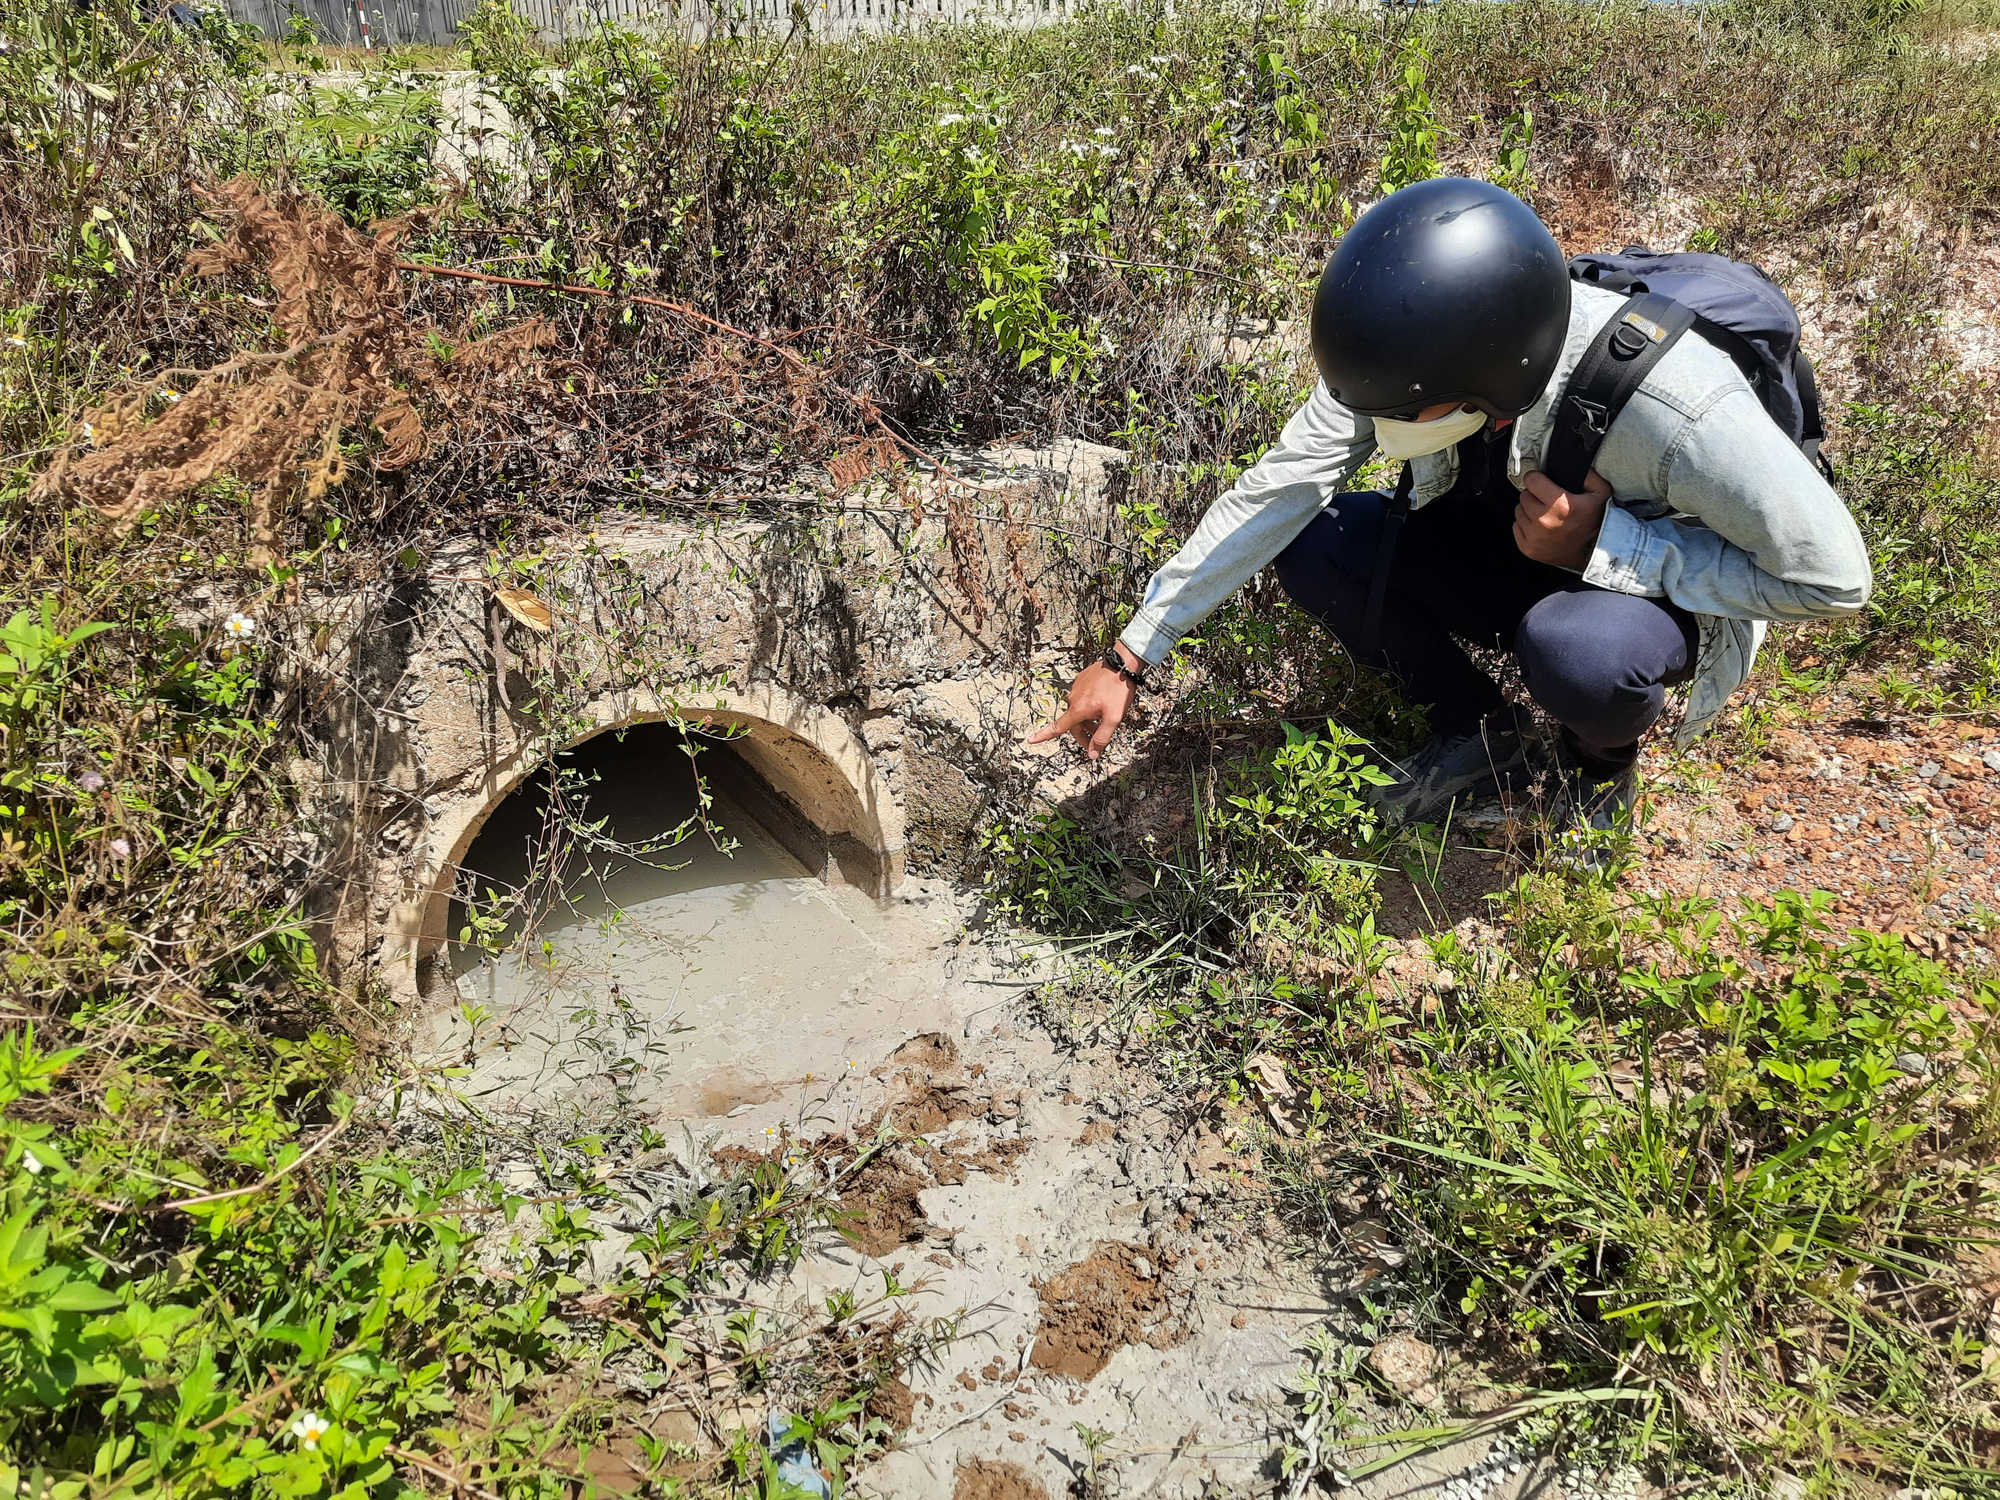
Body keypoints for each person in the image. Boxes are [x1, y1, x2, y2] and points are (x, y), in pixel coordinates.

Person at [1028, 177, 1871, 840]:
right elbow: (1277, 491)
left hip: (1649, 598)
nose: (1379, 421)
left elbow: (1834, 580)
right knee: (1316, 543)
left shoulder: (1675, 407)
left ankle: (1597, 771)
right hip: (1516, 539)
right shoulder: (1415, 351)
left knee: (1579, 653)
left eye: (1402, 415)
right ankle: (1478, 730)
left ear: (1495, 396)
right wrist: (1132, 653)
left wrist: (1611, 544)